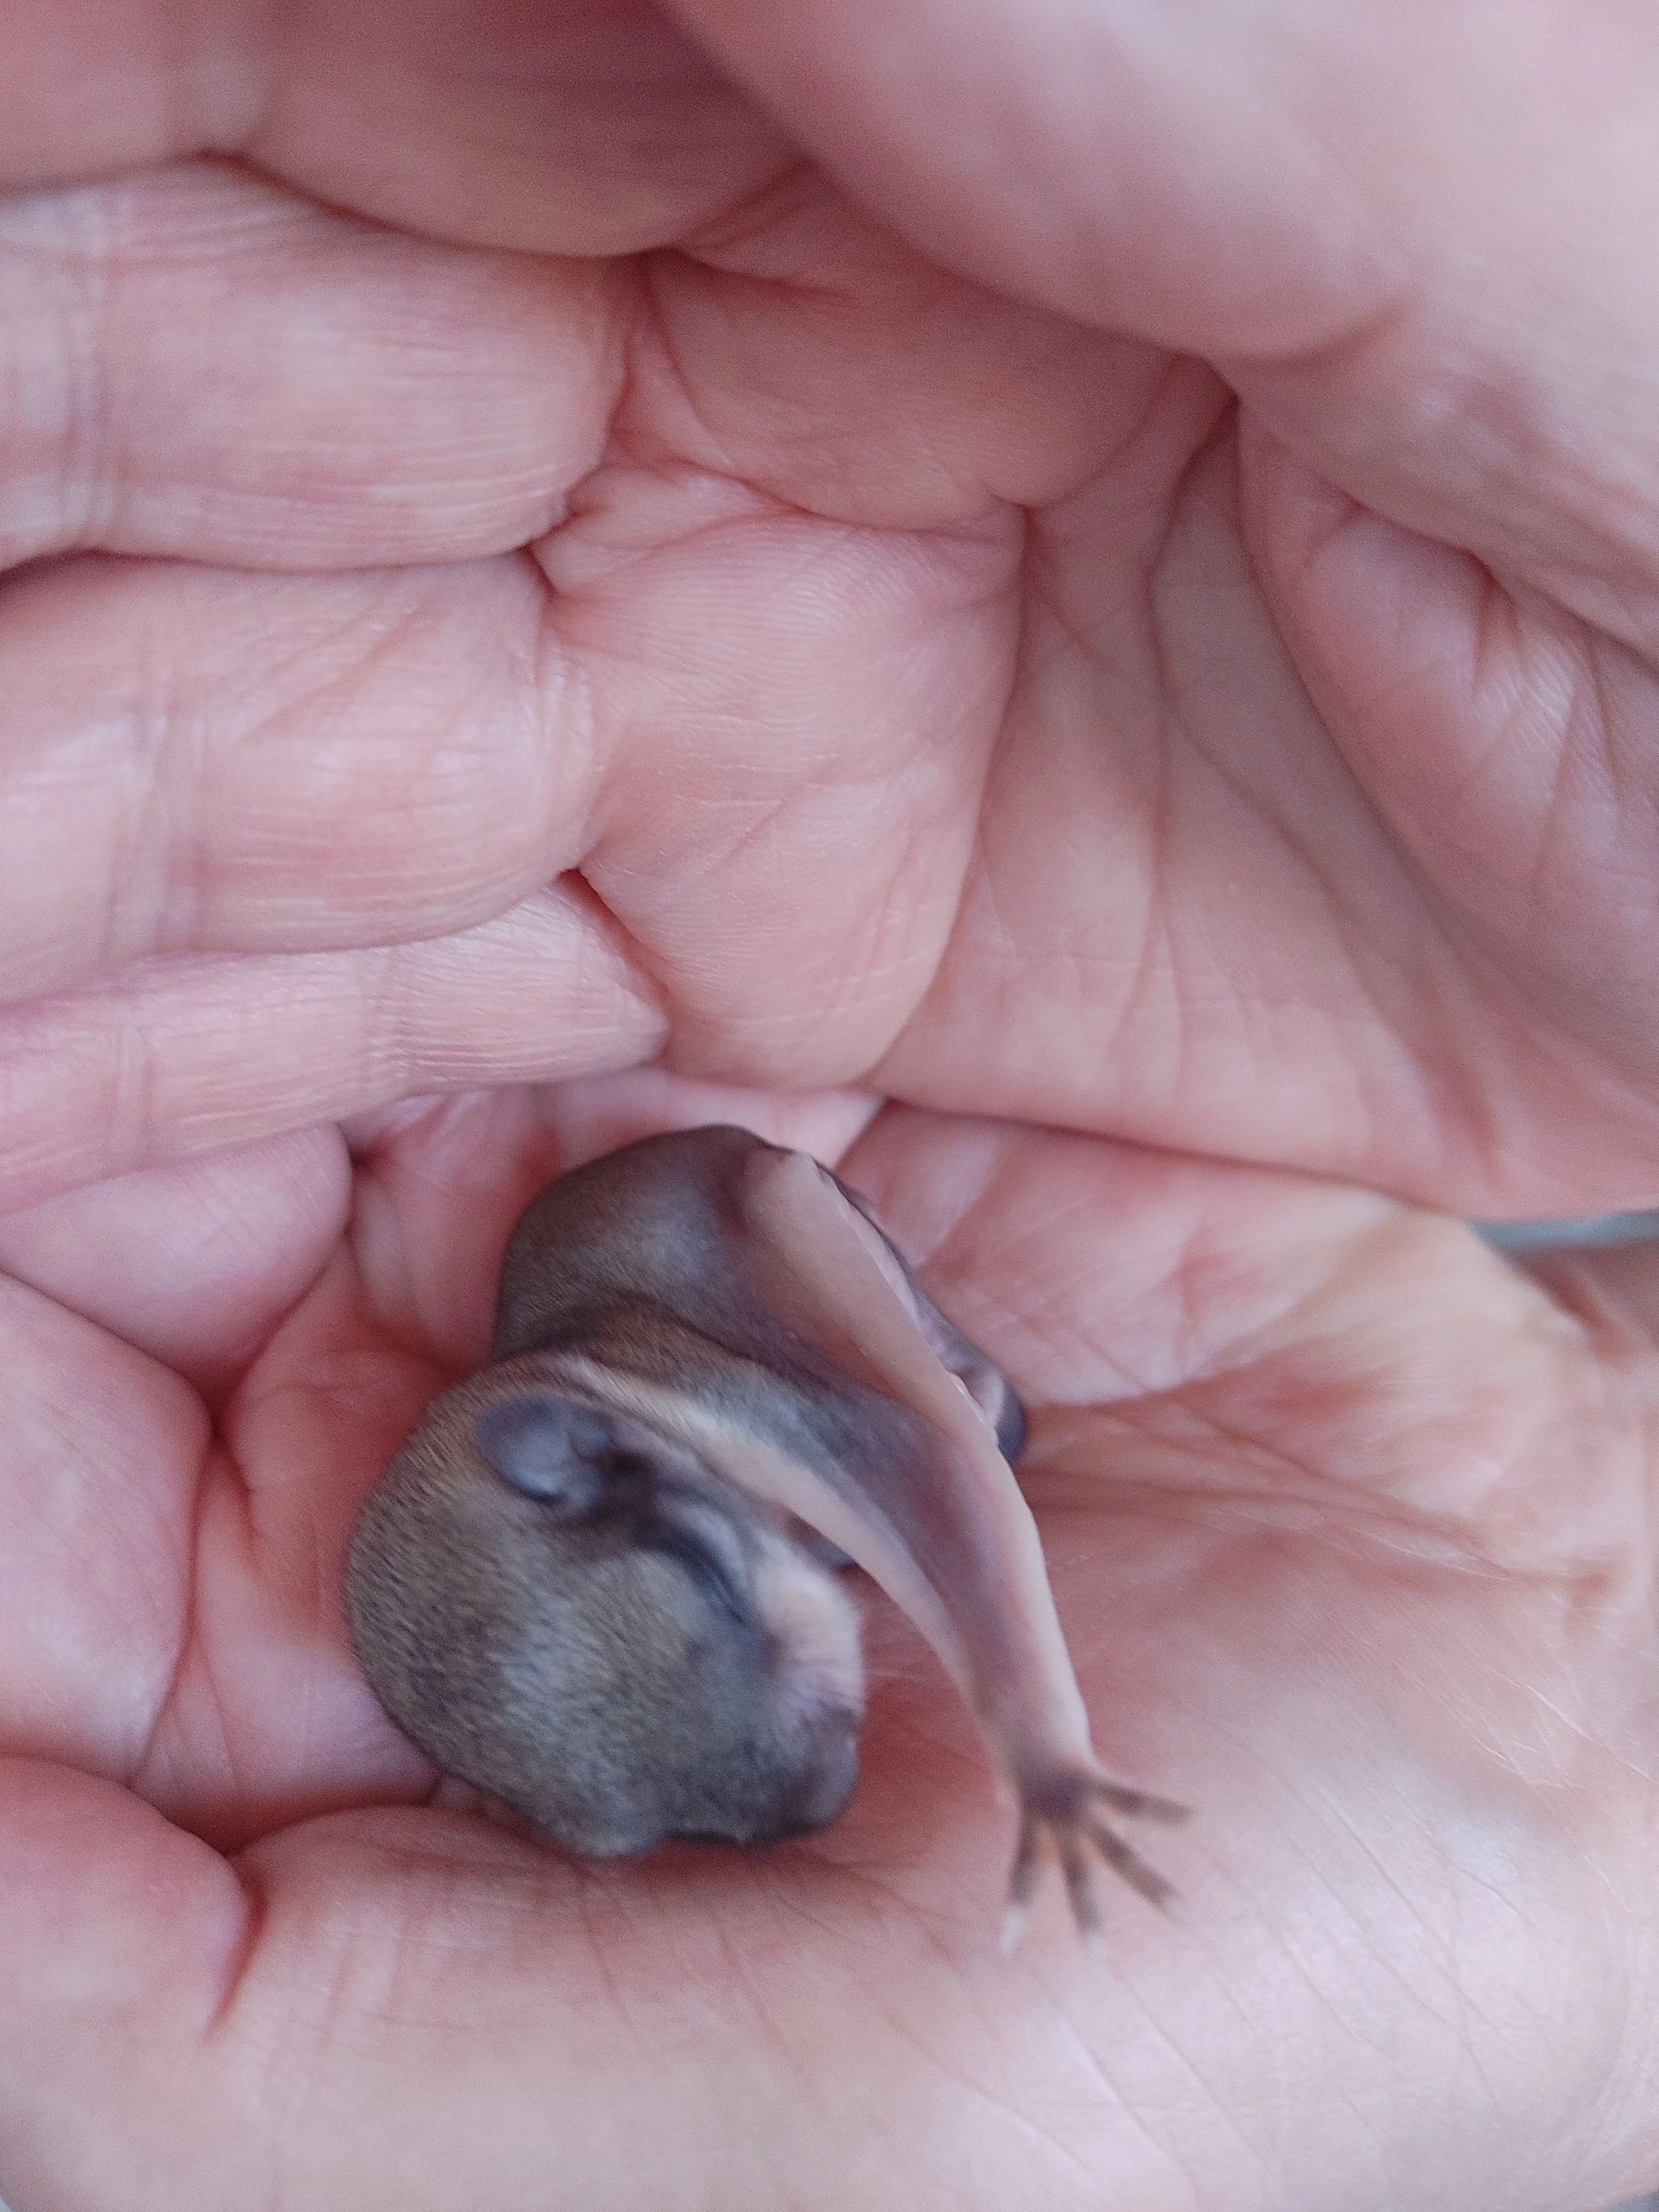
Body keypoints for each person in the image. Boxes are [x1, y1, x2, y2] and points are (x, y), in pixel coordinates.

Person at [1, 3, 1656, 2204]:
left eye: (771, 1669)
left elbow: (939, 1526)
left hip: (717, 1210)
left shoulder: (706, 1396)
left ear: (604, 1452)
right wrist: (1574, 1629)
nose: (821, 1736)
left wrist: (1060, 1745)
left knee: (915, 1427)